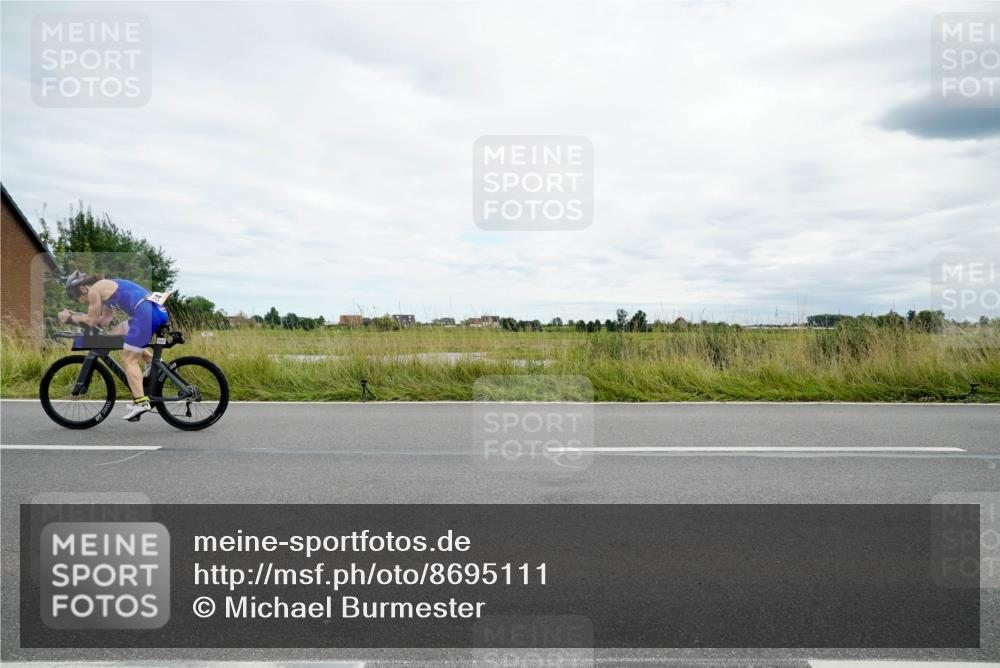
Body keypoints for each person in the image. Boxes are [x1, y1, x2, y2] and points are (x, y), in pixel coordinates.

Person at [58, 271, 170, 421]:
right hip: (153, 311)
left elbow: (91, 321)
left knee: (129, 360)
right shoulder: (104, 289)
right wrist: (77, 315)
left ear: (83, 288)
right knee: (114, 335)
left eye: (80, 297)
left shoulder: (95, 290)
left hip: (146, 313)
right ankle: (154, 363)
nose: (84, 300)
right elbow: (104, 320)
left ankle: (141, 402)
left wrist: (69, 318)